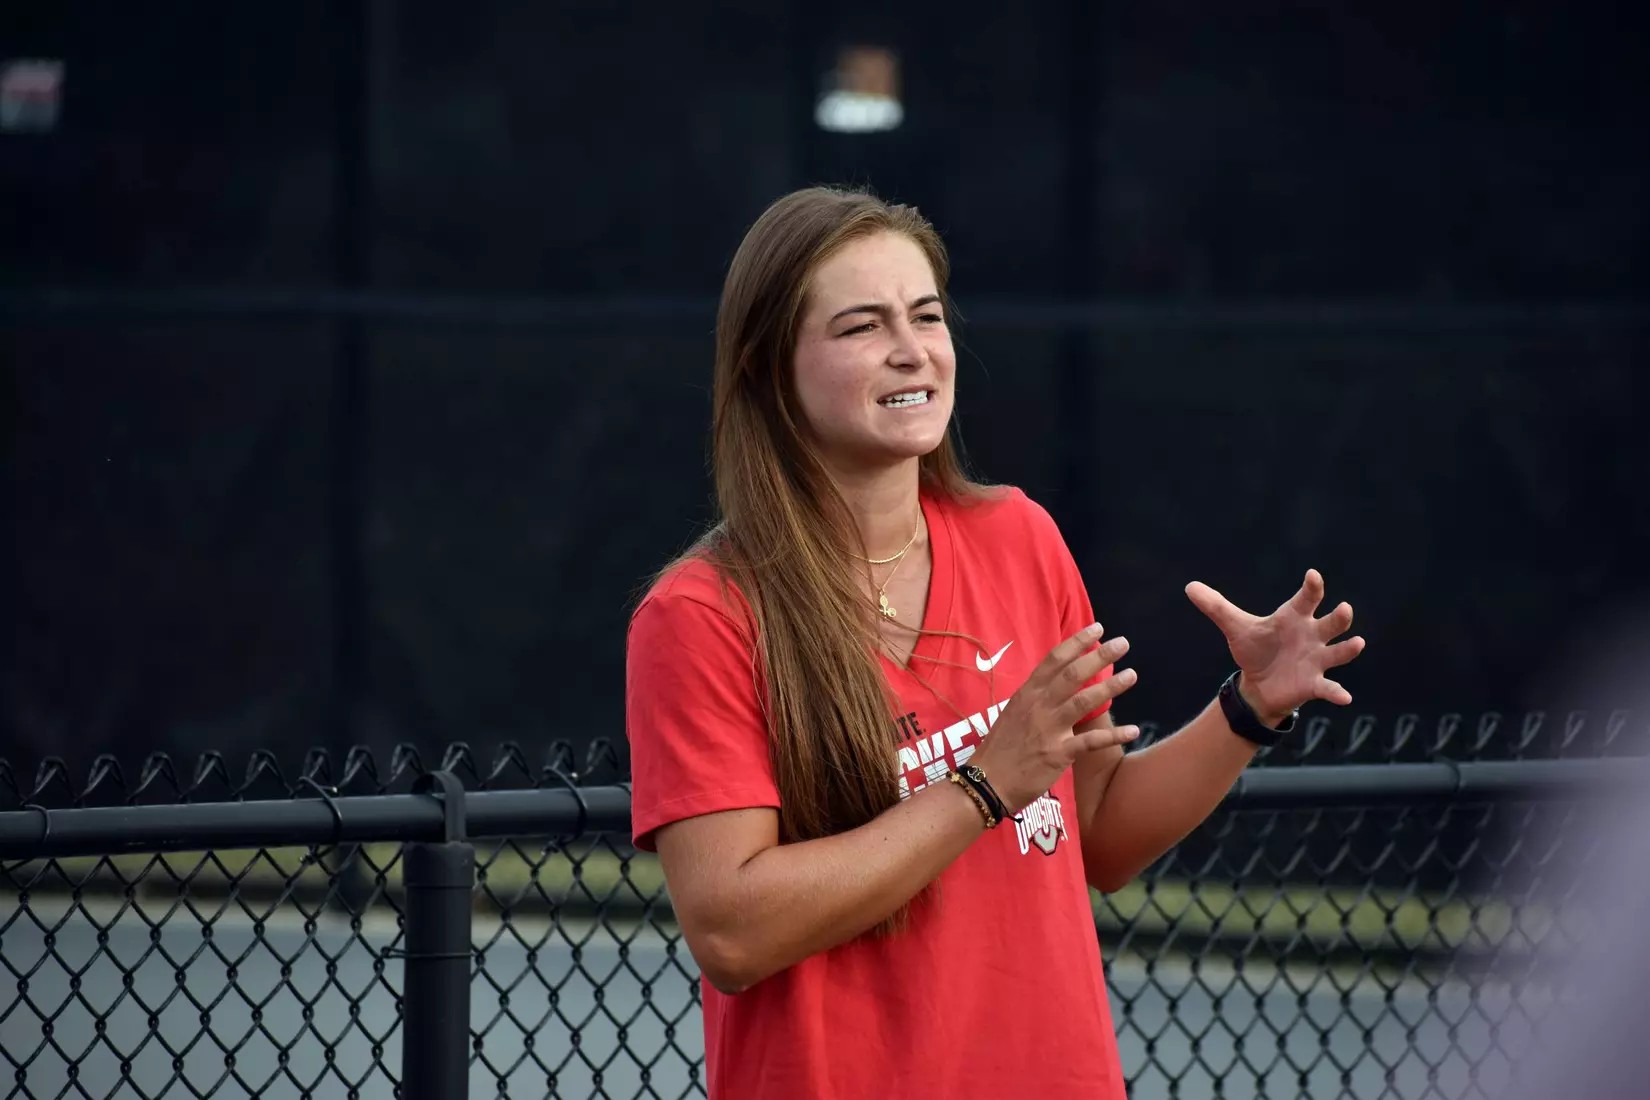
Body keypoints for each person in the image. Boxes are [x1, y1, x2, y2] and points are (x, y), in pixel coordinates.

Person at [623, 185, 1366, 1099]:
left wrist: (1246, 710)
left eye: (926, 316)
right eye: (861, 326)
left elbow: (1095, 837)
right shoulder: (700, 616)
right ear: (771, 370)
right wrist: (982, 784)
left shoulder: (1020, 537)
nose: (912, 350)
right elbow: (733, 933)